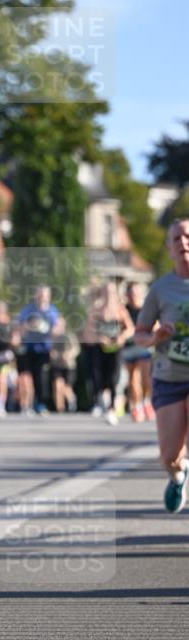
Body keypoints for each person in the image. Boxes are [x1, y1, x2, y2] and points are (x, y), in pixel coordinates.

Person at [134, 219, 189, 513]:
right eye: (177, 238)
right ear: (169, 248)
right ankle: (178, 475)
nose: (183, 242)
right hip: (169, 377)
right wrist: (155, 336)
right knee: (169, 455)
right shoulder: (160, 289)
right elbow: (139, 334)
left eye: (188, 236)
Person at [82, 281, 134, 425]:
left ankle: (111, 406)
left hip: (116, 348)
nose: (109, 294)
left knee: (114, 376)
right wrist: (99, 338)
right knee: (98, 375)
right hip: (99, 348)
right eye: (106, 291)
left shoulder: (120, 310)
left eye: (111, 292)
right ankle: (99, 401)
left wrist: (121, 337)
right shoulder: (95, 310)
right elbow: (87, 333)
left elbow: (130, 328)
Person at [16, 286, 64, 415]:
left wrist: (49, 330)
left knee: (41, 377)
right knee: (27, 377)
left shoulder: (53, 311)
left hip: (45, 349)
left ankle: (41, 403)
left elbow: (59, 328)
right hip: (30, 348)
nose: (42, 297)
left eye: (45, 295)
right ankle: (27, 405)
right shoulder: (29, 310)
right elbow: (20, 327)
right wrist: (30, 325)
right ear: (36, 295)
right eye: (40, 294)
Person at [123, 282, 154, 422]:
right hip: (129, 347)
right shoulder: (124, 309)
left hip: (144, 347)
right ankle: (137, 406)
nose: (134, 295)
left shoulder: (147, 309)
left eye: (136, 292)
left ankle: (147, 402)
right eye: (131, 293)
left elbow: (156, 326)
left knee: (146, 379)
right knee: (133, 379)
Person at [0, 300, 18, 417]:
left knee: (2, 379)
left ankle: (1, 405)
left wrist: (14, 340)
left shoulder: (10, 324)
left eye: (0, 311)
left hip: (7, 356)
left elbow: (16, 339)